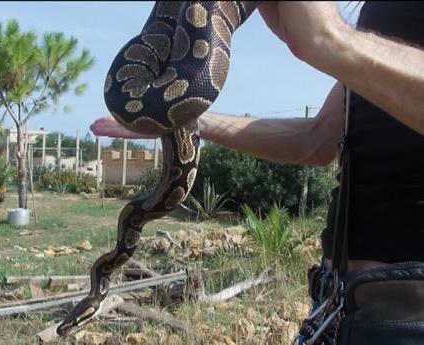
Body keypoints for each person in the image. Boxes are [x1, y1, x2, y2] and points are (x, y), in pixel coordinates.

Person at [92, 1, 424, 340]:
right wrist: (182, 118)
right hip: (336, 305)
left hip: (408, 313)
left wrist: (330, 39)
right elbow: (320, 136)